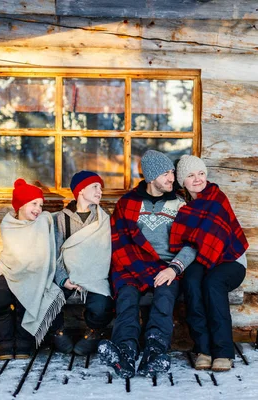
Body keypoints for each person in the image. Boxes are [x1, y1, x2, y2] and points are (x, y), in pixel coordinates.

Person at [98, 150, 197, 378]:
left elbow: (192, 243)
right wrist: (139, 272)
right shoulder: (128, 203)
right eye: (166, 174)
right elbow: (119, 241)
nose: (172, 178)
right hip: (132, 266)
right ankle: (126, 351)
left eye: (172, 172)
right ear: (152, 177)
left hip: (167, 267)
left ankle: (155, 349)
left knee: (164, 299)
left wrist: (174, 268)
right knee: (126, 299)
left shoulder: (180, 205)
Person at [170, 155, 249, 372]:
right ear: (181, 181)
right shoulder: (183, 206)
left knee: (212, 283)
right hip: (201, 258)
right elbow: (189, 242)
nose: (197, 179)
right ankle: (203, 349)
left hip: (230, 260)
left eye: (201, 173)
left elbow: (215, 238)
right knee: (192, 282)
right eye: (190, 175)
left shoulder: (217, 198)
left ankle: (223, 352)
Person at [0, 179, 66, 360]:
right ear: (21, 205)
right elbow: (14, 253)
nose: (38, 208)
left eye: (40, 204)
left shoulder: (43, 222)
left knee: (28, 297)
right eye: (33, 203)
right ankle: (5, 344)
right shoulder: (8, 225)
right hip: (8, 269)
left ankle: (24, 343)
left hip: (34, 271)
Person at [51, 171, 114, 356]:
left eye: (101, 188)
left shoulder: (103, 218)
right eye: (95, 186)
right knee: (47, 298)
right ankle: (57, 332)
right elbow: (55, 253)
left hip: (96, 275)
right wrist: (64, 280)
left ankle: (94, 332)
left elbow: (106, 251)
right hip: (68, 274)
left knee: (102, 305)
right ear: (80, 190)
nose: (99, 191)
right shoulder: (61, 219)